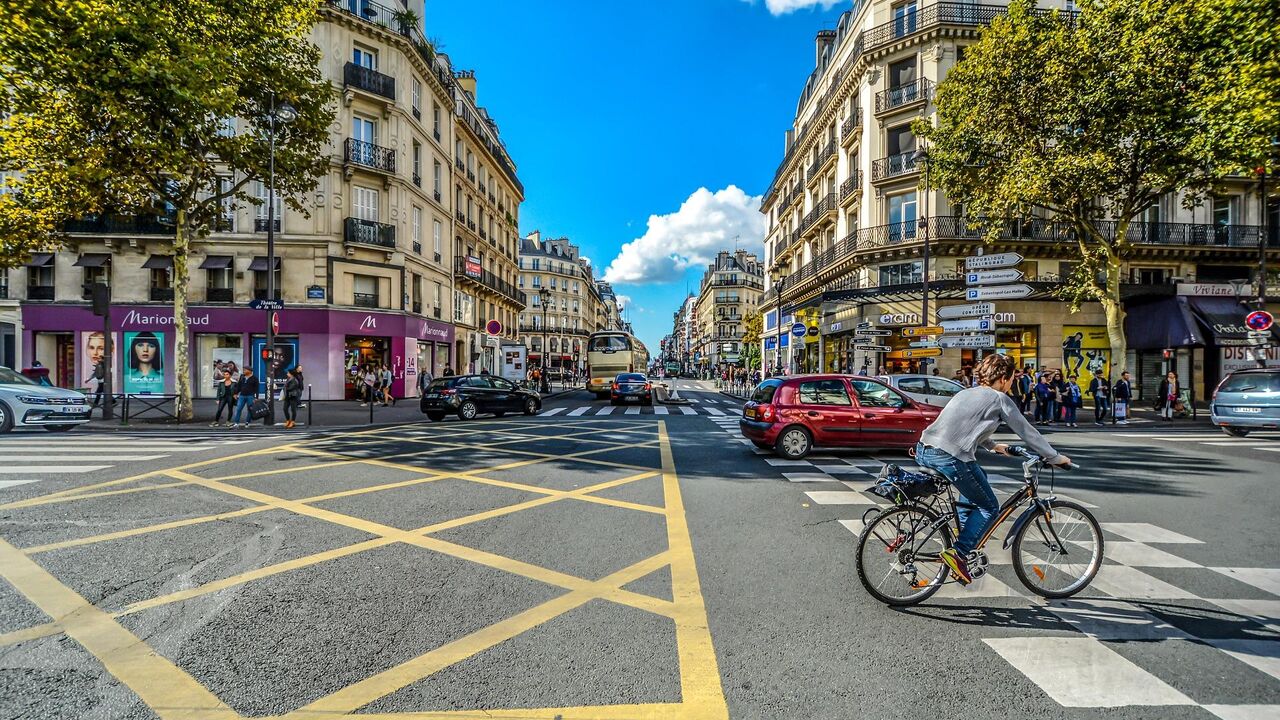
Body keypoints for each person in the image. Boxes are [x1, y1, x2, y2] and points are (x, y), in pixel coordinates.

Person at [917, 354, 1070, 585]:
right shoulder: (1000, 399)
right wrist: (1055, 457)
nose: (1011, 384)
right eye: (1011, 379)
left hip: (924, 449)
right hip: (951, 457)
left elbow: (965, 425)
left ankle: (965, 537)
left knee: (979, 478)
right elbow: (1028, 432)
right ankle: (959, 553)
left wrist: (994, 445)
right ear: (1003, 378)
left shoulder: (965, 392)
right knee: (990, 506)